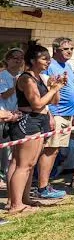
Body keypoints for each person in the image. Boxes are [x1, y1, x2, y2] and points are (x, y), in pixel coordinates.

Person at [8, 42, 68, 214]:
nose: (48, 62)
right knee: (23, 165)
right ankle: (15, 205)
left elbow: (54, 101)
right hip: (28, 122)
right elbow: (37, 104)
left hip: (38, 121)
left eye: (49, 59)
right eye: (44, 59)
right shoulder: (26, 79)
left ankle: (24, 199)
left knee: (31, 164)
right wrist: (54, 89)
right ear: (33, 60)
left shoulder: (40, 78)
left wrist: (56, 88)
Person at [37, 37, 74, 199]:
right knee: (50, 150)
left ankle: (46, 184)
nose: (69, 51)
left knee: (56, 150)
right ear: (55, 50)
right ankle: (42, 187)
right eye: (65, 49)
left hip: (68, 114)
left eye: (71, 49)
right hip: (56, 113)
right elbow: (44, 90)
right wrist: (50, 115)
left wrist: (73, 114)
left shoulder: (67, 65)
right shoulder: (49, 66)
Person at [0, 47, 23, 185]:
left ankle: (9, 178)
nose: (18, 60)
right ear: (8, 60)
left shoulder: (22, 75)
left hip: (17, 116)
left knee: (12, 152)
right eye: (15, 57)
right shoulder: (2, 76)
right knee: (3, 150)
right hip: (3, 117)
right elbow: (4, 95)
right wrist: (16, 85)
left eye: (21, 58)